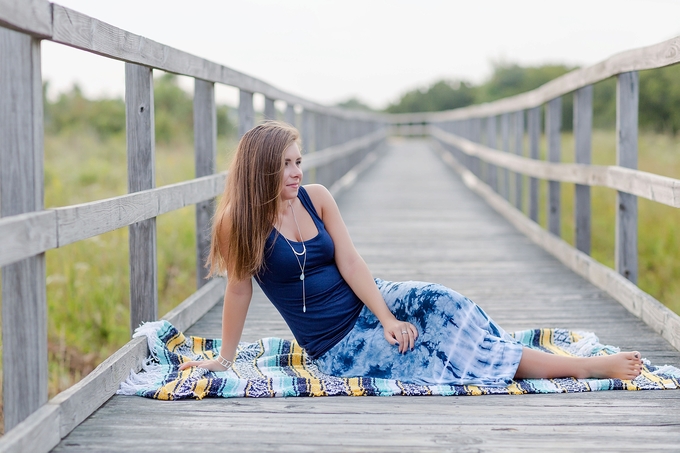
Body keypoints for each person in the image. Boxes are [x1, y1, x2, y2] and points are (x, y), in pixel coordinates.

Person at [179, 121, 643, 385]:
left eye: (299, 161)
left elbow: (351, 263)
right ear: (260, 168)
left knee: (444, 305)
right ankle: (581, 368)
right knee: (434, 355)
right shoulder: (238, 224)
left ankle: (535, 358)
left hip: (371, 300)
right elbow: (239, 293)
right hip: (335, 344)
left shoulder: (315, 196)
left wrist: (385, 315)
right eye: (285, 165)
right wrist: (224, 358)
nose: (297, 172)